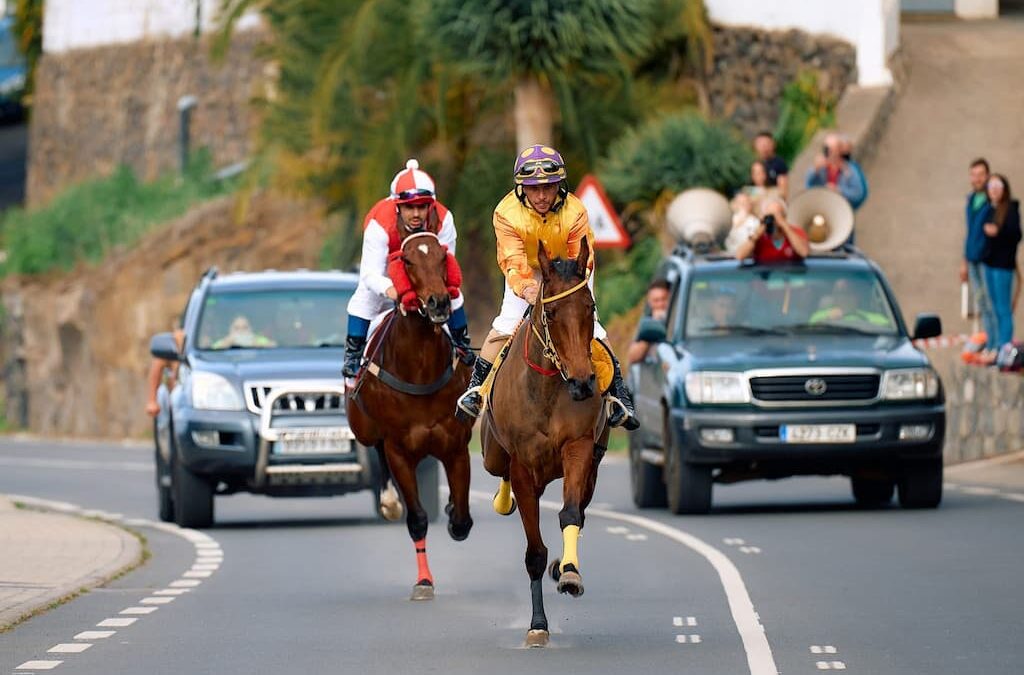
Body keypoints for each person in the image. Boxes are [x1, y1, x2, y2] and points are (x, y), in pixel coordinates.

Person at [455, 144, 638, 430]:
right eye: (533, 188)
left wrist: (566, 288)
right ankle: (476, 392)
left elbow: (583, 257)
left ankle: (620, 398)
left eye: (549, 187)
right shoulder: (505, 213)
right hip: (527, 272)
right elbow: (512, 261)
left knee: (593, 327)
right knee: (506, 324)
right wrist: (529, 290)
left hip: (569, 273)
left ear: (559, 186)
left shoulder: (576, 210)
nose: (541, 196)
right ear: (521, 189)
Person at [342, 159, 474, 378]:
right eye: (409, 207)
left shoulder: (444, 219)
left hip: (427, 272)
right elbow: (370, 274)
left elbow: (446, 261)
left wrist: (436, 289)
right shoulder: (379, 224)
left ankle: (462, 345)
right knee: (364, 298)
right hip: (387, 275)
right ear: (397, 206)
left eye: (422, 207)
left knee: (452, 295)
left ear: (430, 205)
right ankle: (353, 358)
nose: (416, 214)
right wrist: (394, 291)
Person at [980, 173, 1021, 357]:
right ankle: (995, 344)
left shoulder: (1011, 209)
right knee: (993, 306)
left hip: (1003, 266)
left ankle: (1005, 348)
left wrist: (998, 231)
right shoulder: (989, 209)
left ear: (1004, 189)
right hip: (989, 264)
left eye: (998, 186)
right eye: (991, 187)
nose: (994, 190)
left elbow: (1016, 235)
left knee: (1004, 308)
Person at [960, 158, 997, 348]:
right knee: (981, 302)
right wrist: (964, 261)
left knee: (991, 302)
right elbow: (969, 232)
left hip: (987, 260)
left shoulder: (992, 201)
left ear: (987, 176)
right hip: (972, 257)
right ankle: (989, 341)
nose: (977, 179)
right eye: (974, 175)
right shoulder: (971, 200)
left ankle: (995, 344)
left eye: (981, 175)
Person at [734, 197, 809, 263]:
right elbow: (739, 256)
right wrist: (757, 234)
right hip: (766, 277)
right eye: (770, 215)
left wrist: (785, 226)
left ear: (784, 216)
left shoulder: (795, 231)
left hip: (791, 276)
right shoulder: (758, 235)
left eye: (777, 214)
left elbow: (804, 252)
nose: (773, 220)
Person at [805, 133, 868, 210]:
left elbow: (858, 193)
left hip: (841, 210)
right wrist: (815, 170)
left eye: (831, 150)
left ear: (839, 150)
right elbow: (809, 186)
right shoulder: (821, 167)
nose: (828, 153)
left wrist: (839, 190)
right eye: (826, 150)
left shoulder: (849, 169)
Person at [809, 278, 891, 327]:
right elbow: (811, 334)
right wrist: (827, 321)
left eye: (848, 292)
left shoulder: (874, 318)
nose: (844, 298)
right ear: (834, 296)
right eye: (839, 293)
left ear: (856, 296)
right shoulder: (818, 316)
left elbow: (889, 330)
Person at [626, 279, 671, 365]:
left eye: (664, 299)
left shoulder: (680, 319)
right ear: (650, 302)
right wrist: (655, 324)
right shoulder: (647, 323)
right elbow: (632, 357)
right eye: (656, 300)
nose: (660, 304)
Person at [145, 322, 185, 417]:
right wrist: (152, 400)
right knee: (166, 395)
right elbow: (158, 361)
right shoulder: (182, 337)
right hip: (182, 399)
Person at [754, 131, 789, 199]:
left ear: (773, 144)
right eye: (760, 144)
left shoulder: (779, 163)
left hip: (774, 197)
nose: (763, 147)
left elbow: (783, 185)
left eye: (766, 143)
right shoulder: (756, 165)